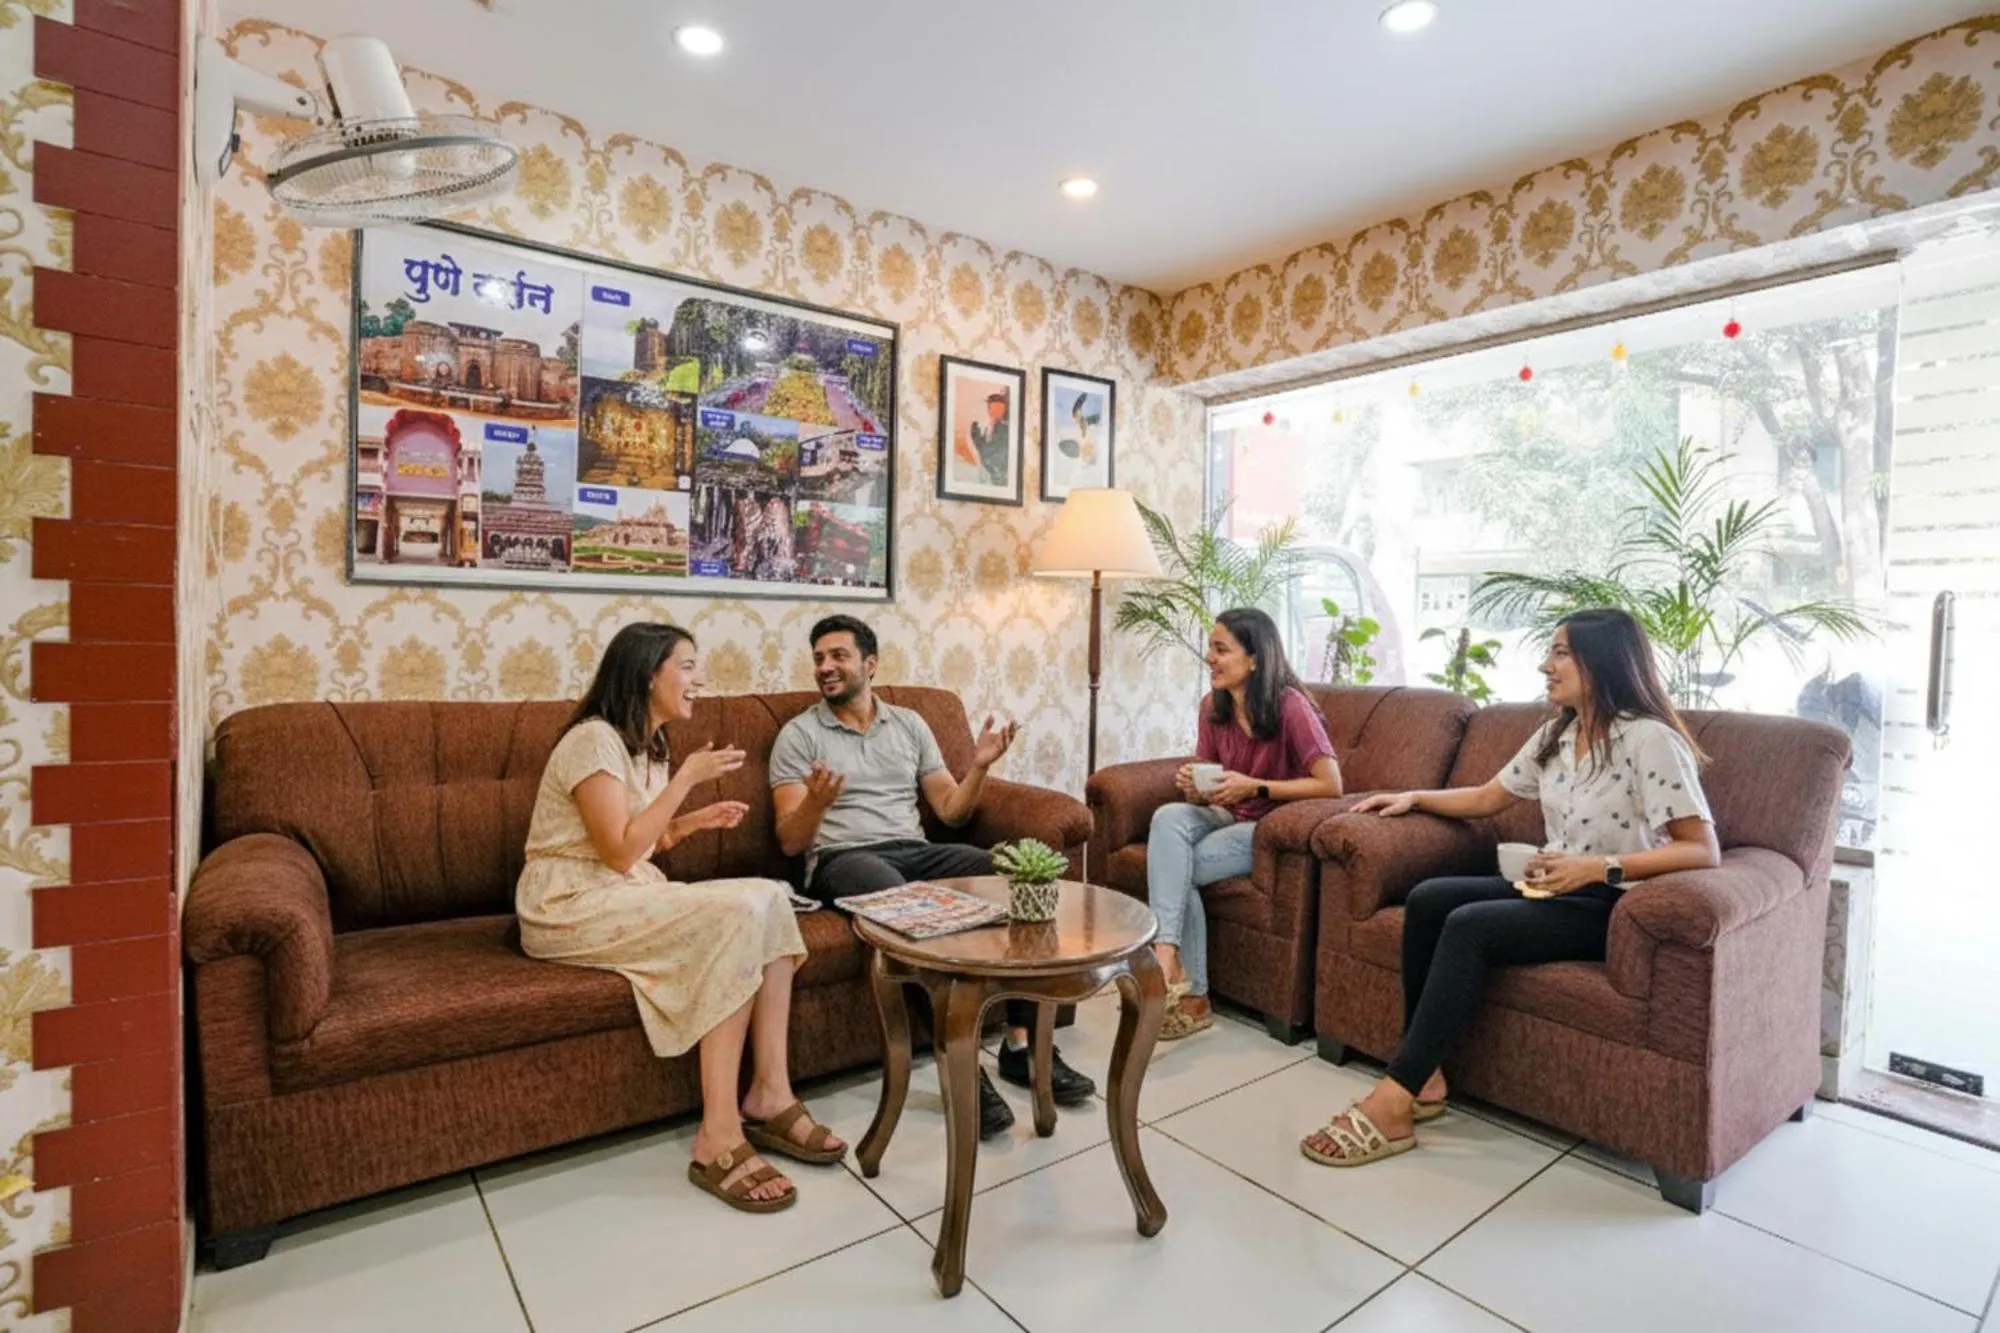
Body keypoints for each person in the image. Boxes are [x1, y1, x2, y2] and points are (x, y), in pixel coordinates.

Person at [1300, 608, 1718, 1167]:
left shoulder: (1649, 740)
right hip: (1552, 887)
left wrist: (1598, 869)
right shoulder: (1557, 733)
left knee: (1470, 926)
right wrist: (1411, 797)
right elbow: (1486, 797)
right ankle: (1425, 1077)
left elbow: (1700, 849)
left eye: (1561, 653)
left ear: (1604, 660)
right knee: (1427, 900)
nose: (1547, 666)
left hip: (1609, 903)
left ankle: (1395, 1098)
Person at [517, 622, 844, 1215]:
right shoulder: (592, 742)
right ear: (649, 676)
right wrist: (689, 780)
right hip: (567, 904)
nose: (699, 680)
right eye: (688, 667)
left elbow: (643, 842)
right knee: (736, 913)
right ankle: (718, 1130)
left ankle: (771, 1090)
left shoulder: (650, 746)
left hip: (621, 885)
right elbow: (616, 850)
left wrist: (694, 821)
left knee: (770, 894)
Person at [770, 614, 1096, 1139]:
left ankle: (1022, 1045)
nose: (825, 668)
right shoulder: (799, 735)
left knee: (1013, 877)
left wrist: (981, 767)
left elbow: (950, 812)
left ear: (870, 665)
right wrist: (816, 804)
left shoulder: (910, 724)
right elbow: (790, 840)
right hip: (841, 857)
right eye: (818, 659)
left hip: (915, 850)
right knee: (910, 907)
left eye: (838, 656)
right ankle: (960, 1067)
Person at [1149, 608, 1343, 1039]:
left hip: (1271, 826)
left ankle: (1193, 995)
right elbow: (1209, 776)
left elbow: (1331, 785)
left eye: (1221, 649)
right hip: (1225, 813)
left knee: (1180, 869)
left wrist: (1256, 787)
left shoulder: (1290, 707)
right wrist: (1194, 786)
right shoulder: (1212, 706)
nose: (1209, 658)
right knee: (1168, 818)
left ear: (1255, 658)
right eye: (1210, 648)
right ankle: (1167, 952)